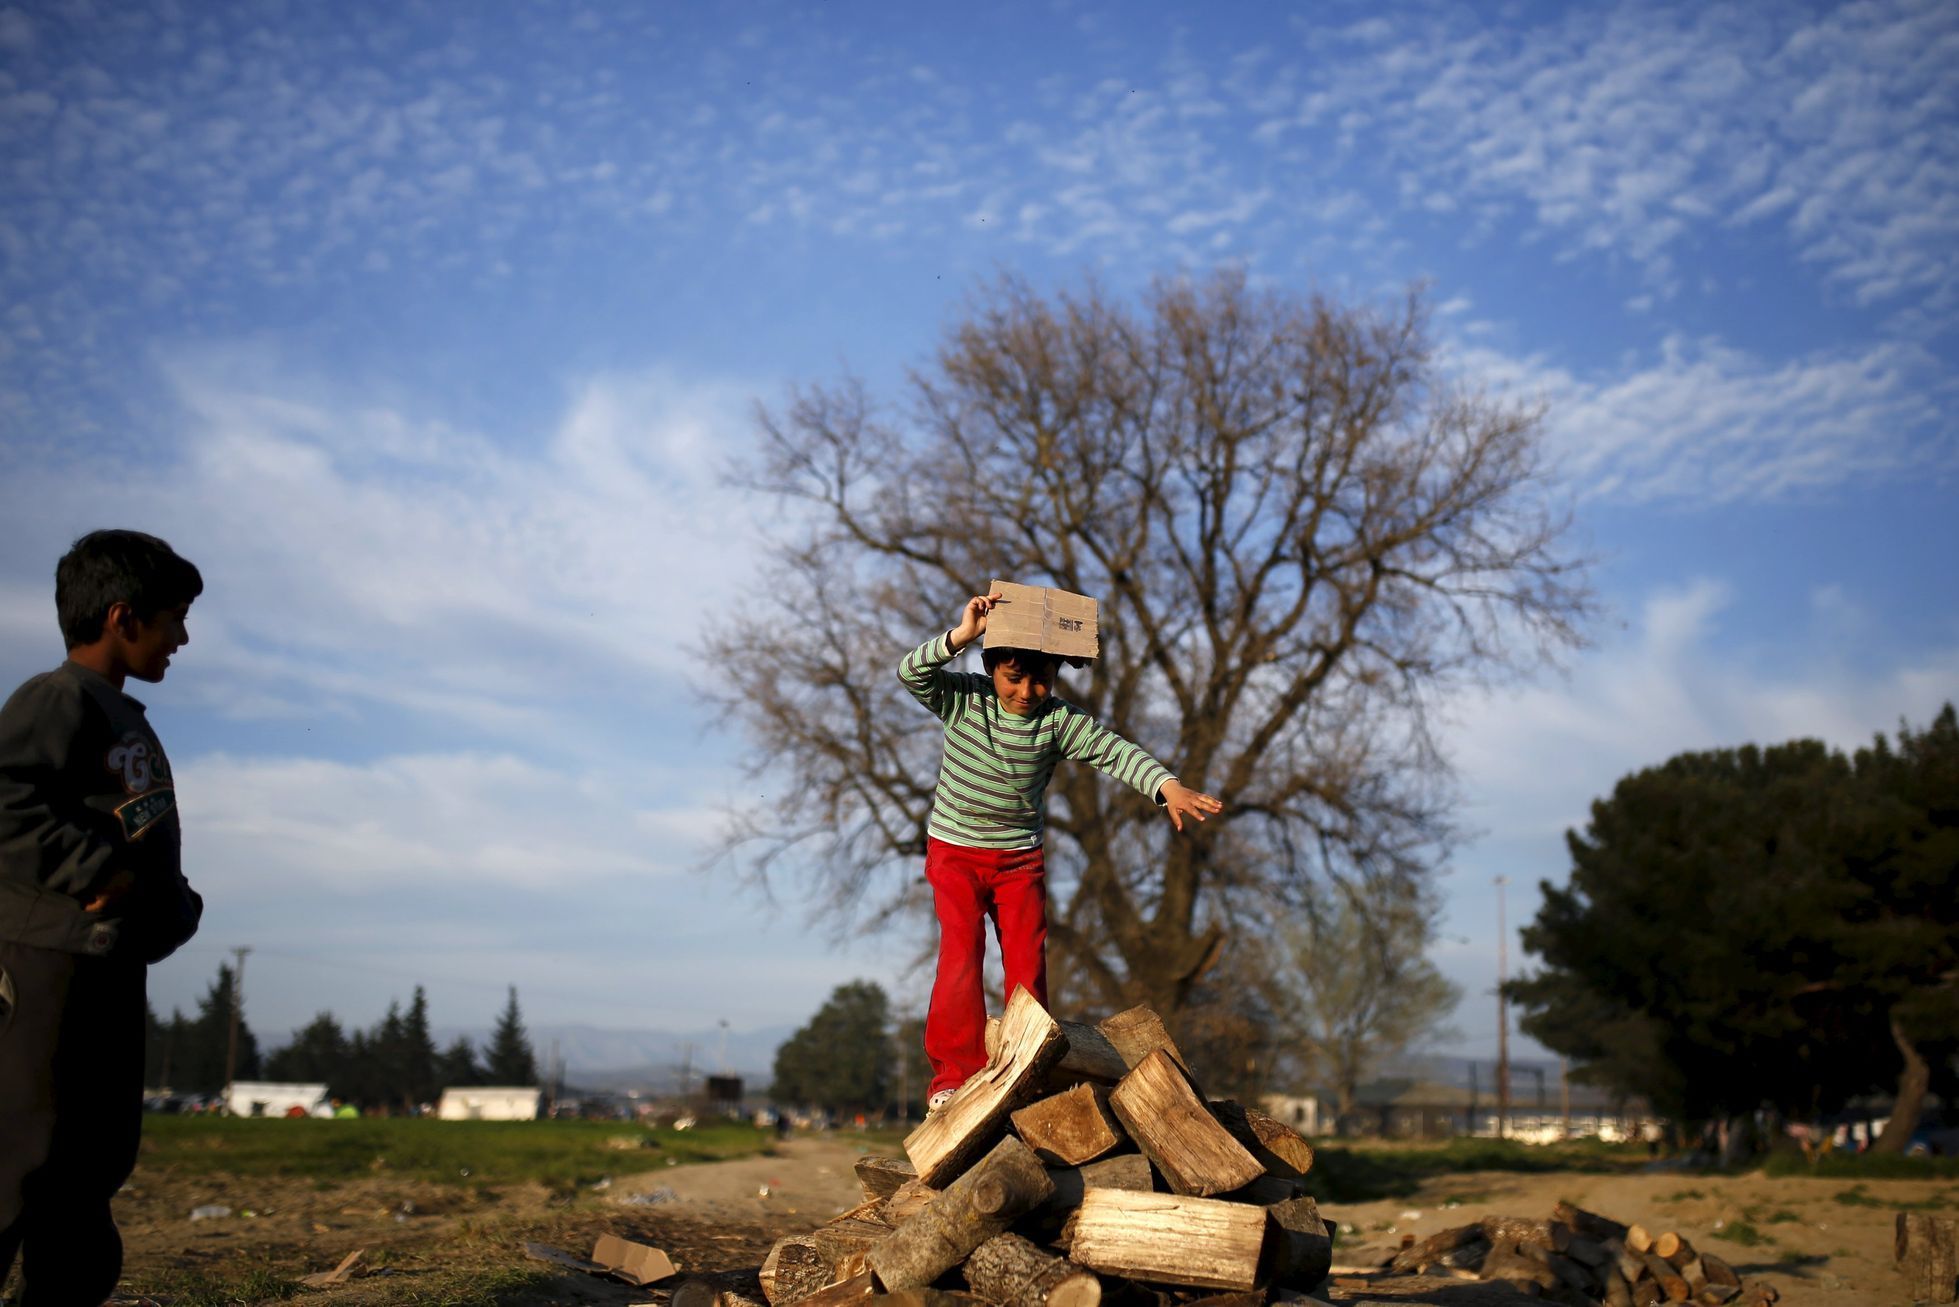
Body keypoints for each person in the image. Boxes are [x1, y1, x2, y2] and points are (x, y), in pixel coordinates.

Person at [899, 591, 1222, 1111]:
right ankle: (952, 1079)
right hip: (955, 853)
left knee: (1028, 966)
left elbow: (1113, 750)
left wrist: (1166, 787)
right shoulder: (964, 698)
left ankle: (1027, 1072)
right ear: (990, 667)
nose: (1028, 690)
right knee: (962, 953)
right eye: (1014, 678)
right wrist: (961, 635)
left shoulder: (1057, 720)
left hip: (1019, 862)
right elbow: (910, 673)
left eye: (1041, 678)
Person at [0, 529, 205, 1303]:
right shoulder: (54, 701)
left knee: (91, 1165)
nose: (181, 637)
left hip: (109, 967)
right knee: (21, 1157)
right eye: (173, 618)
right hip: (44, 965)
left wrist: (172, 905)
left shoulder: (125, 719)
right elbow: (5, 802)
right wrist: (94, 871)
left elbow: (139, 852)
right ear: (123, 617)